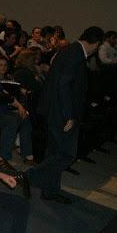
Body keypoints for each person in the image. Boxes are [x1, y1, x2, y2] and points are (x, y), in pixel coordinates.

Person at [24, 27, 105, 204]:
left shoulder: (71, 51)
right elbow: (63, 85)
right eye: (98, 46)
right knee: (66, 154)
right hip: (62, 112)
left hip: (57, 110)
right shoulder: (74, 54)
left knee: (54, 153)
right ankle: (29, 176)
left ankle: (50, 190)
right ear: (96, 43)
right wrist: (69, 115)